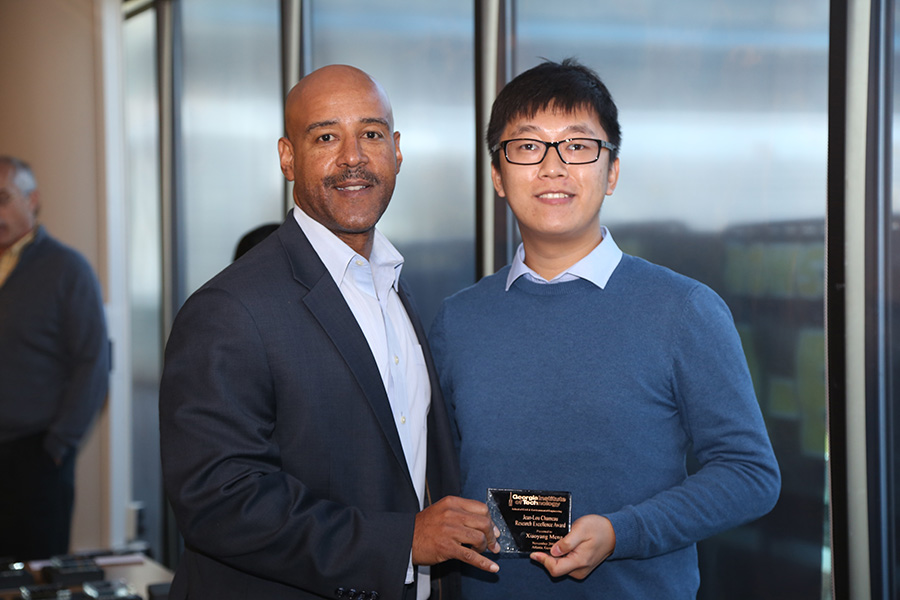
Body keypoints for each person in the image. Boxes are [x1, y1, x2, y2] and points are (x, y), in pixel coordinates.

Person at [428, 58, 781, 599]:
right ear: (498, 176)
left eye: (577, 145)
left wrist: (621, 533)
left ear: (611, 171)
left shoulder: (683, 309)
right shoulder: (458, 319)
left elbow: (749, 473)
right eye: (526, 146)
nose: (552, 167)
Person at [159, 65, 499, 600]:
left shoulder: (391, 284)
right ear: (287, 158)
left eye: (371, 134)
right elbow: (219, 502)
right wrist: (402, 542)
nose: (353, 157)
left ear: (397, 150)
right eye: (325, 137)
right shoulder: (228, 308)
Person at [0, 156, 110, 561]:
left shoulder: (66, 269)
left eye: (3, 198)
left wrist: (58, 445)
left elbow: (92, 364)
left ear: (33, 200)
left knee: (36, 574)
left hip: (35, 455)